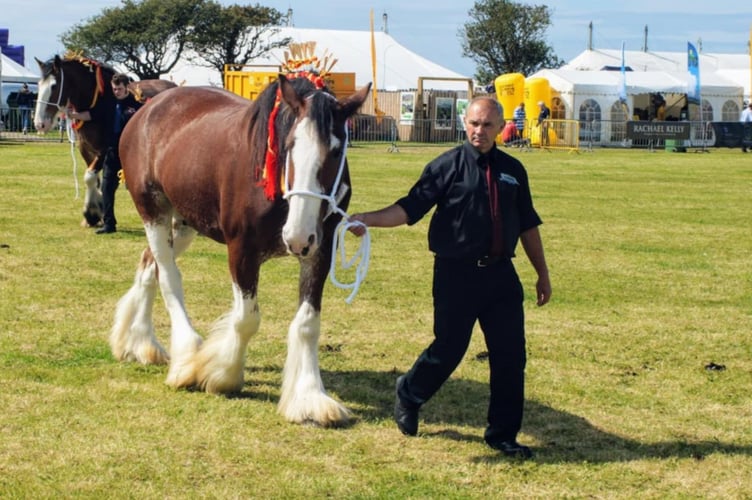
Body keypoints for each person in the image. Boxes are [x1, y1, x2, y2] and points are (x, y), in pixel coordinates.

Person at [349, 96, 551, 459]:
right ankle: (409, 393)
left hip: (501, 276)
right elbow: (409, 209)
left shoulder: (513, 171)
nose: (480, 131)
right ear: (465, 124)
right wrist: (367, 218)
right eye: (474, 123)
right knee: (449, 349)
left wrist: (542, 274)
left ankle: (502, 435)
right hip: (455, 274)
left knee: (510, 357)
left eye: (488, 125)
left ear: (500, 127)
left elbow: (528, 224)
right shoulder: (446, 166)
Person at [67, 73, 143, 234]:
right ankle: (109, 224)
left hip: (132, 153)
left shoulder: (137, 105)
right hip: (112, 152)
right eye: (114, 89)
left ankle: (152, 219)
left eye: (119, 89)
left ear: (127, 87)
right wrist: (73, 115)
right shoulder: (108, 103)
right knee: (107, 188)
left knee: (140, 189)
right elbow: (90, 115)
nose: (116, 92)